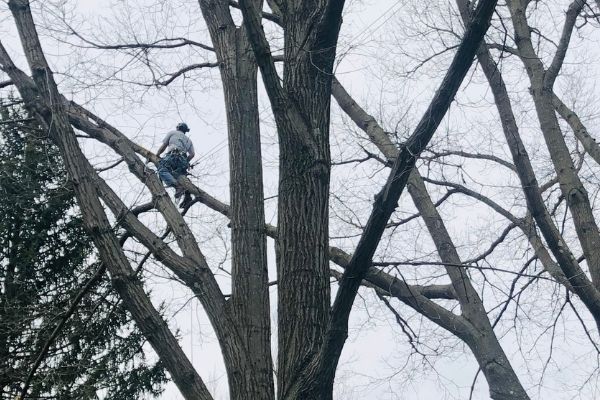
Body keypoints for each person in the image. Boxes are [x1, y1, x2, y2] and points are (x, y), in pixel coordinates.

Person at [156, 122, 194, 208]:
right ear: (185, 131)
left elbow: (164, 146)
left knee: (162, 170)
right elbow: (192, 154)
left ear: (178, 128)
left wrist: (157, 154)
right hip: (182, 161)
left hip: (173, 155)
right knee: (176, 175)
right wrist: (185, 162)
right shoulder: (189, 140)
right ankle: (187, 195)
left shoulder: (172, 133)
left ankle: (178, 187)